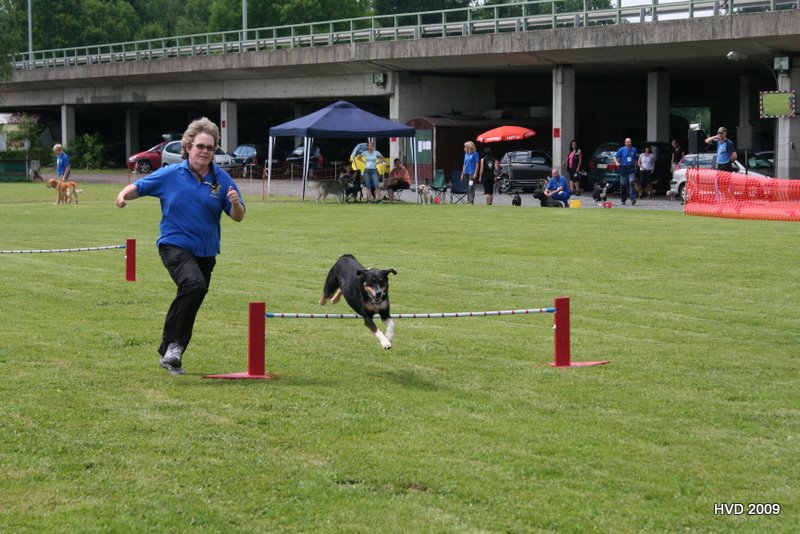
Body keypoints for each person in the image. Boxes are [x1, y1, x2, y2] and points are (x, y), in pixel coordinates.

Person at [115, 117, 246, 376]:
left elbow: (238, 216)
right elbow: (139, 187)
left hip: (205, 251)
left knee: (193, 295)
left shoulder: (222, 179)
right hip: (174, 245)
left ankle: (171, 354)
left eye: (210, 148)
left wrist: (235, 203)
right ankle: (174, 347)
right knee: (194, 285)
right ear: (188, 147)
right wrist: (123, 195)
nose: (205, 151)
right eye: (200, 146)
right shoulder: (171, 174)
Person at [614, 137, 638, 205]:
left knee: (632, 182)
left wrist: (637, 168)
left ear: (631, 142)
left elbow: (635, 160)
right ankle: (623, 200)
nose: (629, 143)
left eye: (630, 142)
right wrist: (616, 162)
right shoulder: (621, 149)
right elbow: (615, 157)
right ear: (625, 143)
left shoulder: (634, 150)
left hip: (631, 168)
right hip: (623, 168)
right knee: (623, 184)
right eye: (627, 142)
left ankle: (633, 199)